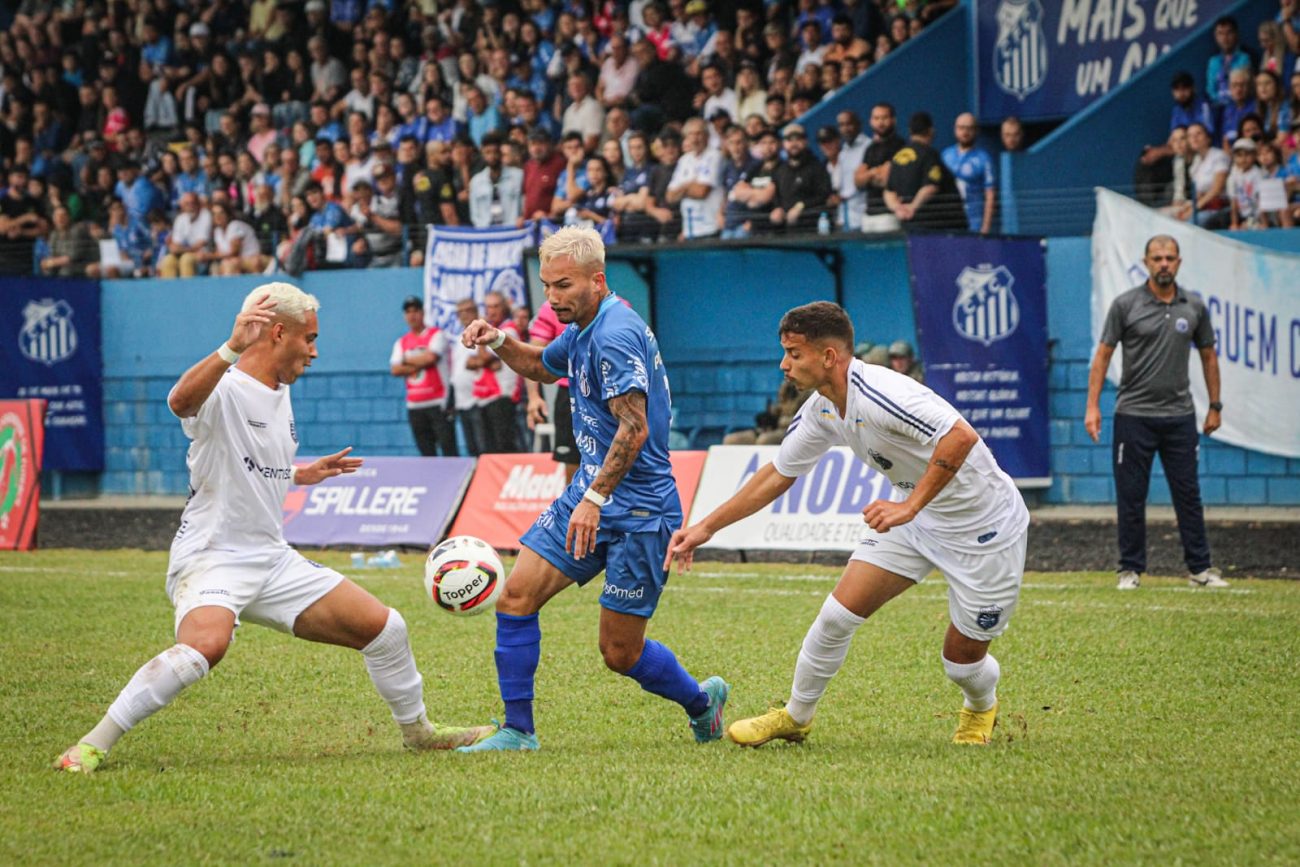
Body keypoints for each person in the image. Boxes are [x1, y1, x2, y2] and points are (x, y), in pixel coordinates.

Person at [54, 284, 491, 774]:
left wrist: (301, 473)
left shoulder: (279, 391)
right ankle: (91, 744)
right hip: (213, 554)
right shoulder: (224, 386)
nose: (315, 350)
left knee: (386, 629)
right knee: (206, 647)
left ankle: (420, 734)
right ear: (278, 332)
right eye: (309, 338)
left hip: (271, 557)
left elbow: (250, 460)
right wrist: (231, 345)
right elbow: (179, 401)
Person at [666, 301, 1029, 747]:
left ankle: (980, 706)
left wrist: (909, 506)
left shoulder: (881, 394)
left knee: (962, 663)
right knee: (837, 615)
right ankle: (796, 716)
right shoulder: (822, 408)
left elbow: (960, 438)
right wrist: (706, 527)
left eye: (794, 354)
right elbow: (779, 473)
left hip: (984, 529)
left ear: (829, 357)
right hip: (915, 518)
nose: (784, 365)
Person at [455, 226, 728, 753]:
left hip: (641, 511)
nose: (553, 297)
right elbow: (541, 365)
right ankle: (518, 731)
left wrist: (594, 500)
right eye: (547, 286)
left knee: (619, 652)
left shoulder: (614, 333)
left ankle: (701, 702)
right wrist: (498, 341)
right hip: (591, 495)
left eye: (563, 286)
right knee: (514, 598)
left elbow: (634, 428)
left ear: (597, 280)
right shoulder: (584, 325)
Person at [1085, 235, 1227, 591]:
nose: (1164, 263)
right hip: (1133, 416)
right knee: (1131, 496)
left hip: (1179, 417)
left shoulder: (1193, 306)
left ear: (1179, 263)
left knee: (1188, 495)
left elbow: (1209, 356)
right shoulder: (1125, 305)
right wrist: (1092, 407)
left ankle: (1200, 570)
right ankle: (1129, 571)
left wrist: (1215, 405)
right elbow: (1102, 355)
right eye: (1157, 258)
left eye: (1170, 258)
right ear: (1146, 263)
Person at [390, 295, 456, 457]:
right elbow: (395, 369)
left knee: (448, 448)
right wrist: (418, 360)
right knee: (426, 452)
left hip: (438, 401)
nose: (412, 315)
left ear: (423, 313)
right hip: (415, 404)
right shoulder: (402, 342)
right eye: (408, 312)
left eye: (415, 311)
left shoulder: (436, 335)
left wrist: (406, 360)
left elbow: (431, 358)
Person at [526, 301, 582, 484]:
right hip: (569, 393)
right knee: (572, 462)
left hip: (606, 395)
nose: (551, 292)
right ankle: (573, 510)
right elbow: (534, 357)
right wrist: (534, 397)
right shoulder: (550, 308)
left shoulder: (618, 308)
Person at [942, 113, 996, 234]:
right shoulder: (945, 155)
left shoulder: (983, 158)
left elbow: (990, 195)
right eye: (961, 128)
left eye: (969, 128)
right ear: (955, 129)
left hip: (974, 222)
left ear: (976, 131)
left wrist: (985, 227)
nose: (965, 132)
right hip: (949, 221)